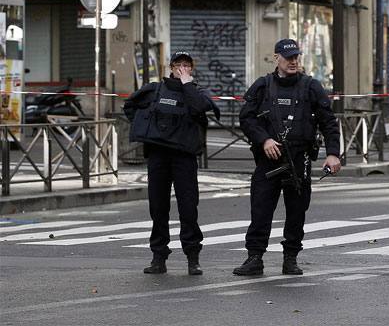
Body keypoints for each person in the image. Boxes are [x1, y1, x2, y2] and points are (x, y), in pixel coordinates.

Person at [233, 38, 341, 276]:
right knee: (260, 210)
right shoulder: (263, 85)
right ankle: (255, 257)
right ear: (276, 58)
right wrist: (264, 140)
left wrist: (333, 154)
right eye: (288, 57)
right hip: (269, 158)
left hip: (298, 158)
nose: (293, 61)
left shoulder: (311, 86)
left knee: (296, 212)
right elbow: (246, 118)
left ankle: (290, 258)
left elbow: (328, 122)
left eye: (296, 57)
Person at [124, 51, 220, 275]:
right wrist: (146, 128)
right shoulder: (155, 89)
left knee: (188, 208)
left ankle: (193, 258)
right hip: (158, 155)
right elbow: (130, 106)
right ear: (171, 67)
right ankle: (158, 257)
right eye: (179, 64)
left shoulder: (197, 92)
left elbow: (198, 107)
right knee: (158, 207)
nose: (182, 69)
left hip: (184, 157)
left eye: (187, 65)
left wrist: (187, 84)